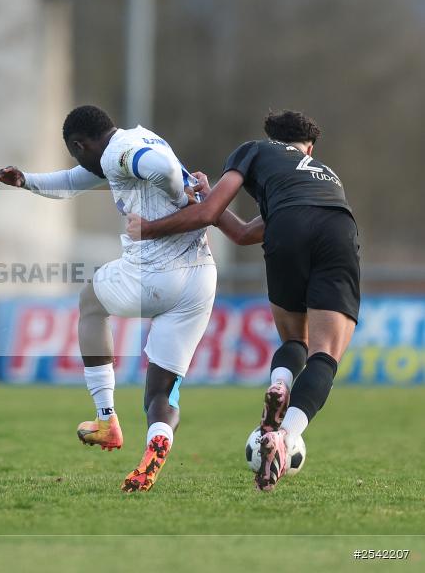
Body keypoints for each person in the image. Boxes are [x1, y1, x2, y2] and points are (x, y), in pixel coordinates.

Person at [125, 110, 359, 491]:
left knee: (294, 341)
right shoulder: (323, 173)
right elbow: (246, 231)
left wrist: (148, 228)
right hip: (337, 226)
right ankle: (284, 439)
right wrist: (207, 200)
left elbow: (214, 215)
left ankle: (280, 383)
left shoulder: (253, 151)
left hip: (286, 227)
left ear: (271, 137)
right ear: (309, 147)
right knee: (325, 355)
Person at [0, 105, 217, 492]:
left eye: (75, 151)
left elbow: (159, 169)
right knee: (161, 391)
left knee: (91, 303)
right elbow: (71, 181)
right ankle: (158, 438)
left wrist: (178, 194)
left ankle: (106, 419)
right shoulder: (137, 138)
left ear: (80, 144)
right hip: (199, 278)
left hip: (153, 275)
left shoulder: (118, 153)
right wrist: (25, 180)